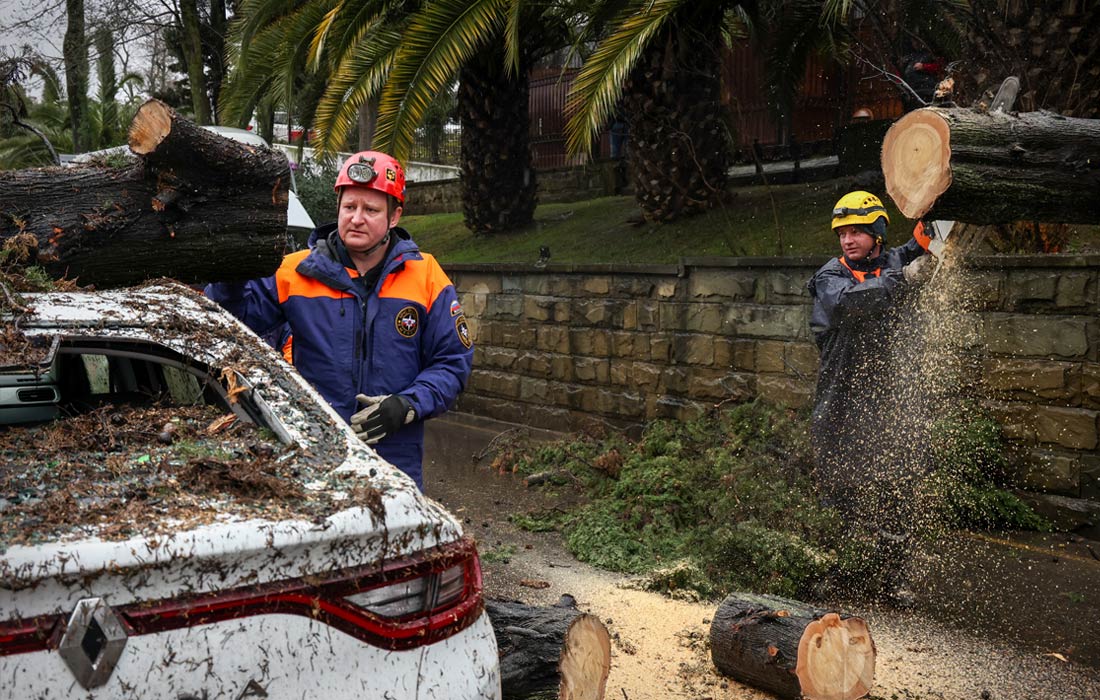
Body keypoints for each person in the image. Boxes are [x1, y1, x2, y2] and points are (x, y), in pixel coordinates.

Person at [206, 151, 474, 490]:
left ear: (395, 216)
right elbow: (232, 318)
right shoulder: (294, 271)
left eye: (371, 210)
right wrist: (231, 271)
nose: (357, 219)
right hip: (314, 450)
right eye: (349, 207)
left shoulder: (426, 277)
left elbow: (452, 362)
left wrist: (407, 404)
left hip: (395, 458)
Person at [806, 190, 935, 602]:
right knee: (839, 489)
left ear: (878, 232)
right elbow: (853, 302)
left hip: (887, 397)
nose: (848, 239)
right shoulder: (831, 278)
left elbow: (927, 238)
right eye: (843, 232)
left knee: (895, 484)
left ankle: (893, 578)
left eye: (858, 231)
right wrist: (906, 278)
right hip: (840, 401)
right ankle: (837, 570)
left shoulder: (895, 259)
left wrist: (940, 207)